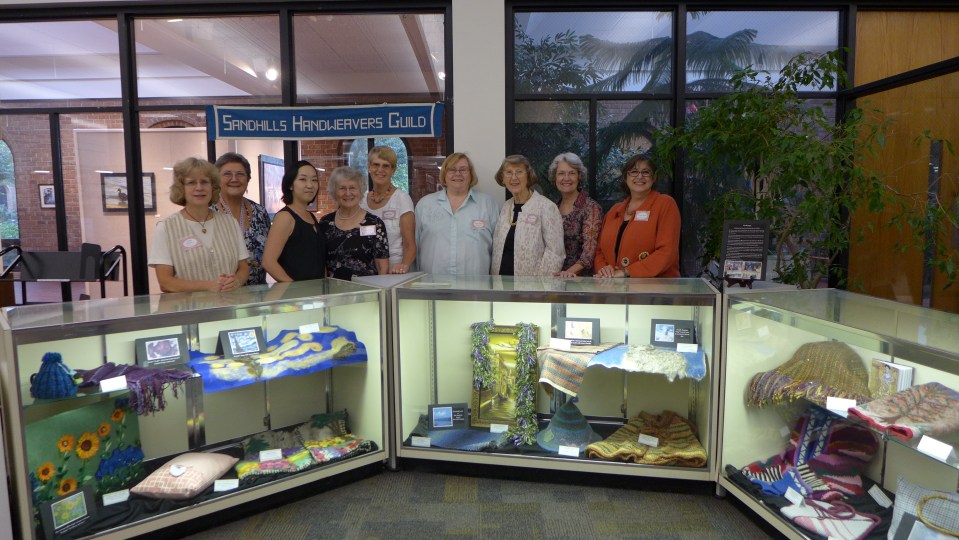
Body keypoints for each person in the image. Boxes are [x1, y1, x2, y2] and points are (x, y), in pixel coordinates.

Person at [149, 157, 249, 292]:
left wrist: (236, 281)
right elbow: (165, 282)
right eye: (191, 182)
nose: (199, 188)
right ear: (181, 188)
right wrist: (208, 286)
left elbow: (243, 268)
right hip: (186, 305)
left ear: (213, 187)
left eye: (204, 182)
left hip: (228, 304)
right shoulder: (165, 228)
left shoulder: (230, 223)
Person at [594, 154, 680, 278]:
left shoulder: (665, 204)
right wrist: (604, 270)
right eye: (634, 172)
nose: (640, 176)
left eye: (646, 172)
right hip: (614, 285)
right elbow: (599, 251)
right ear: (625, 177)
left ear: (654, 178)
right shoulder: (614, 211)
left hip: (656, 286)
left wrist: (626, 272)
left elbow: (667, 252)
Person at [414, 153, 499, 276]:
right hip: (433, 283)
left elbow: (498, 249)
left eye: (463, 170)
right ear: (444, 174)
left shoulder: (488, 204)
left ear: (471, 174)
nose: (457, 174)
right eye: (452, 169)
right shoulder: (425, 204)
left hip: (476, 284)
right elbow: (415, 247)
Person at [490, 155, 565, 276]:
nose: (514, 177)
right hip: (501, 283)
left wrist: (541, 284)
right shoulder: (505, 207)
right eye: (509, 172)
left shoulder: (546, 207)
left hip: (532, 286)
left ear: (529, 176)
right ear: (503, 178)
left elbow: (556, 253)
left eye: (519, 172)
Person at [212, 152, 271, 285]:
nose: (234, 179)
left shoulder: (260, 212)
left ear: (248, 179)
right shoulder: (208, 212)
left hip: (258, 292)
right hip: (221, 292)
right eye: (227, 174)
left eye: (240, 174)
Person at [262, 160, 325, 282]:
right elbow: (268, 262)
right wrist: (293, 287)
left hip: (316, 291)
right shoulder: (285, 217)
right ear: (290, 185)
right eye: (303, 179)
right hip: (296, 292)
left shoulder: (310, 216)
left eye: (314, 180)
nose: (310, 185)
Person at [321, 166, 389, 279]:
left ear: (360, 191)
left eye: (352, 188)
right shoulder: (325, 223)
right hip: (333, 289)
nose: (348, 193)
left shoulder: (375, 223)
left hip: (367, 289)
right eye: (342, 188)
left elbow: (382, 267)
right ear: (334, 192)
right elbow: (321, 263)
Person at [359, 145, 416, 274]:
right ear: (369, 167)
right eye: (376, 165)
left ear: (393, 170)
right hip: (366, 272)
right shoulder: (361, 201)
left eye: (386, 166)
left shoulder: (402, 199)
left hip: (394, 272)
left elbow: (409, 245)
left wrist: (403, 267)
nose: (380, 170)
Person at [549, 152, 603, 278]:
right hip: (554, 278)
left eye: (572, 173)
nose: (566, 178)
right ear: (555, 177)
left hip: (580, 281)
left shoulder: (591, 208)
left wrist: (568, 273)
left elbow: (590, 253)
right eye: (561, 173)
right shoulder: (552, 208)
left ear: (579, 176)